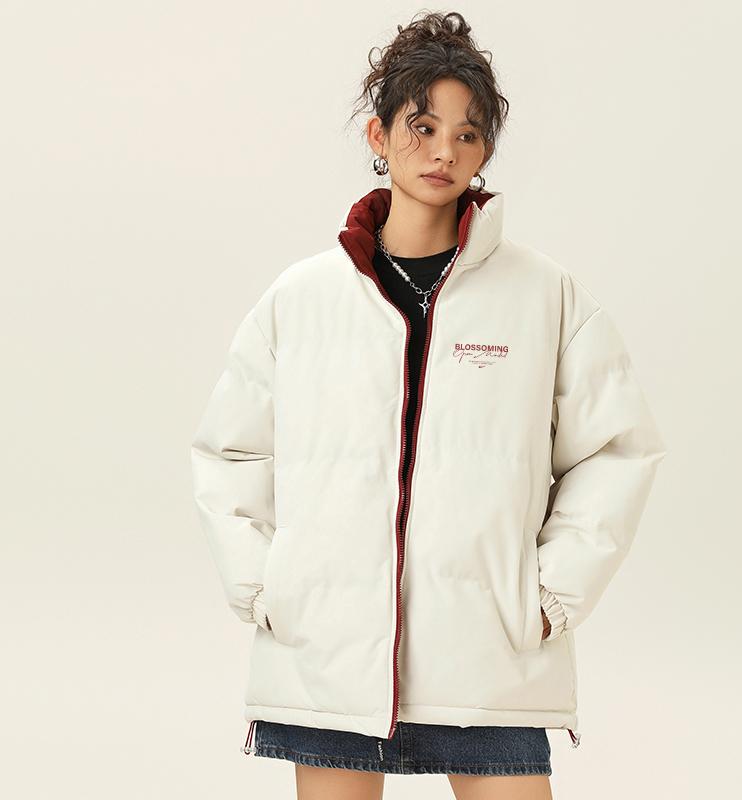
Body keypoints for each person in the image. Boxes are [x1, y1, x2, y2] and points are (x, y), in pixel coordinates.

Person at [189, 10, 666, 800]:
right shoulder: (301, 300)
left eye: (467, 134)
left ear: (483, 153)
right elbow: (228, 451)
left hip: (490, 656)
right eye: (423, 126)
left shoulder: (543, 296)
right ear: (379, 135)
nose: (445, 150)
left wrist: (549, 598)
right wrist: (267, 587)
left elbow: (618, 449)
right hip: (328, 658)